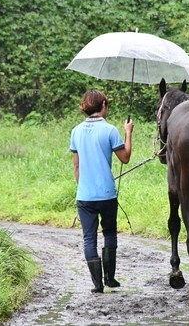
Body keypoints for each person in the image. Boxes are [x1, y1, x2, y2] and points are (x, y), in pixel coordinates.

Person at [70, 89, 134, 293]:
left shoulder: (76, 131)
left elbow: (76, 166)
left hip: (85, 196)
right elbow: (125, 158)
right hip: (107, 194)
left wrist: (82, 188)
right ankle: (110, 279)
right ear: (103, 105)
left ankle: (97, 285)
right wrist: (129, 132)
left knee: (89, 238)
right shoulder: (110, 130)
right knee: (109, 233)